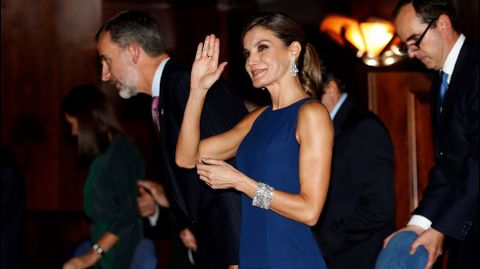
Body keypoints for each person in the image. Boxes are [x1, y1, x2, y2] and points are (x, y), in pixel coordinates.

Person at [176, 12, 333, 269]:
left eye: (262, 48)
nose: (252, 60)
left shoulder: (311, 114)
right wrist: (197, 91)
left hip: (292, 259)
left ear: (293, 50)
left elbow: (310, 212)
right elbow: (186, 158)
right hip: (253, 257)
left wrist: (242, 183)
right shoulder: (259, 117)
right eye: (247, 53)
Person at [95, 10, 248, 269]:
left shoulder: (188, 84)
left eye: (107, 61)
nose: (104, 74)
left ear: (133, 52)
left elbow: (231, 166)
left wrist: (237, 258)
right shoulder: (166, 92)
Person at [384, 0, 479, 268]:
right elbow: (448, 167)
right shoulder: (441, 79)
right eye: (406, 45)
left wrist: (440, 230)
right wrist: (418, 225)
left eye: (415, 41)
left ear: (443, 24)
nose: (411, 53)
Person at [312, 71, 396, 269]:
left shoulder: (363, 127)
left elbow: (378, 208)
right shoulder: (324, 129)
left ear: (331, 89)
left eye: (309, 99)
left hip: (356, 258)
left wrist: (321, 243)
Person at [61, 85, 148, 269]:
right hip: (107, 253)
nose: (73, 133)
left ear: (87, 121)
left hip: (120, 255)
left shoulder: (120, 152)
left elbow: (127, 213)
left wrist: (91, 256)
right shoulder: (104, 155)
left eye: (73, 125)